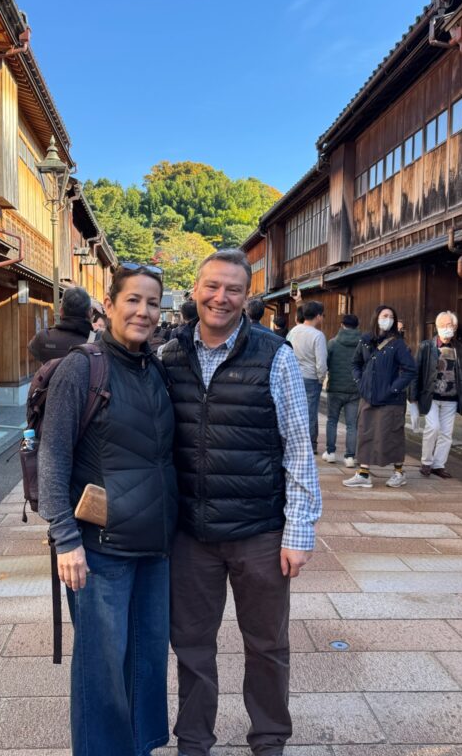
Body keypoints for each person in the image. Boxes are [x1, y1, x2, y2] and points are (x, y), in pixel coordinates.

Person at [160, 249, 321, 756]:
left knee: (268, 646)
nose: (220, 298)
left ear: (247, 297)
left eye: (232, 289)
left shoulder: (274, 355)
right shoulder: (169, 356)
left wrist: (299, 531)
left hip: (259, 531)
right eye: (212, 286)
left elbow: (299, 445)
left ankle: (269, 739)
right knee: (191, 645)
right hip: (190, 533)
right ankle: (193, 740)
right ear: (194, 289)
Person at [38, 264, 179, 755]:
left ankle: (137, 748)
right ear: (110, 304)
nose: (143, 311)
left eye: (153, 302)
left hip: (154, 547)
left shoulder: (155, 365)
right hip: (99, 549)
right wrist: (65, 538)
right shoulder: (84, 366)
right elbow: (52, 455)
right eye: (134, 300)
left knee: (144, 662)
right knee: (101, 668)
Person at [343, 305, 416, 489]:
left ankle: (399, 473)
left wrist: (394, 389)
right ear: (376, 317)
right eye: (384, 315)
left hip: (391, 400)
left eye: (391, 316)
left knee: (390, 435)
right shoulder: (366, 340)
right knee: (365, 432)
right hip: (368, 395)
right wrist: (360, 382)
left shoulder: (398, 343)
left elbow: (410, 370)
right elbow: (355, 363)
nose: (388, 319)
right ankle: (364, 474)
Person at [410, 311, 462, 479]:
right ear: (437, 327)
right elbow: (417, 372)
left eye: (450, 326)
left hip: (451, 398)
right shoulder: (426, 346)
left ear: (455, 328)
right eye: (444, 326)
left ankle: (438, 464)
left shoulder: (459, 348)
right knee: (433, 427)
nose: (447, 329)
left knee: (446, 433)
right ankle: (426, 462)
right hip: (431, 396)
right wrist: (413, 396)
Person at [287, 300, 327, 453]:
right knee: (310, 413)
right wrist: (321, 378)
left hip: (294, 376)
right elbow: (321, 362)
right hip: (311, 378)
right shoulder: (318, 335)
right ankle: (310, 445)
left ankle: (293, 442)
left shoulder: (293, 331)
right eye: (322, 315)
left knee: (294, 411)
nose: (322, 318)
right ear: (317, 316)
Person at [322, 314, 361, 467]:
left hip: (336, 388)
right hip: (355, 389)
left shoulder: (332, 343)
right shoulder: (362, 344)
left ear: (342, 325)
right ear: (357, 326)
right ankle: (350, 457)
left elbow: (326, 364)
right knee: (352, 425)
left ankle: (331, 453)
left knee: (332, 420)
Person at [28, 286, 94, 364]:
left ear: (61, 311)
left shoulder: (43, 337)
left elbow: (31, 348)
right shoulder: (96, 340)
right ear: (90, 313)